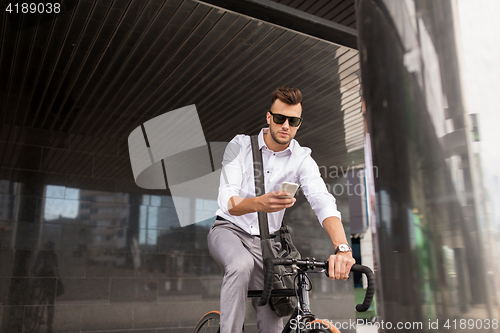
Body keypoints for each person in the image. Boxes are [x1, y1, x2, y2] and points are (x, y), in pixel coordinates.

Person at [207, 86, 355, 333]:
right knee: (241, 264)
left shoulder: (302, 158)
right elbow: (227, 199)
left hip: (267, 244)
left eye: (293, 120)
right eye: (280, 118)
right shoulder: (240, 145)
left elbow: (322, 200)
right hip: (228, 231)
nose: (286, 125)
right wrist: (258, 203)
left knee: (273, 319)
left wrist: (342, 248)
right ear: (269, 118)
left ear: (299, 124)